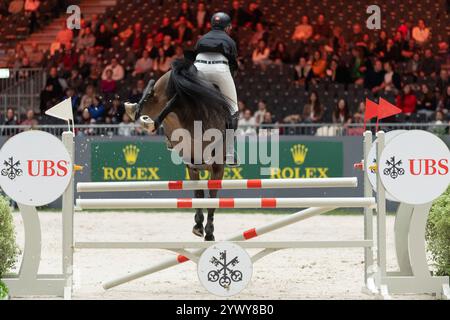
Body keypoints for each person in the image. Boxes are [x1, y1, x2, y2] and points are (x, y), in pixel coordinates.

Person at [194, 12, 239, 166]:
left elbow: (194, 56)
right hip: (220, 69)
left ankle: (198, 153)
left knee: (197, 109)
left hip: (199, 68)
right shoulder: (230, 40)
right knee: (233, 108)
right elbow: (233, 67)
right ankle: (230, 152)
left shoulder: (202, 38)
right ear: (227, 27)